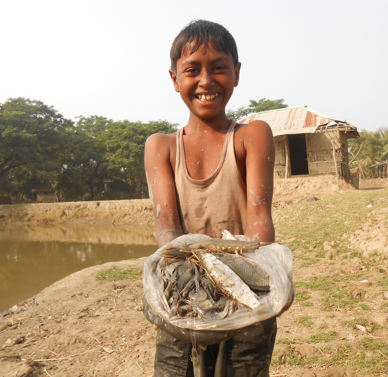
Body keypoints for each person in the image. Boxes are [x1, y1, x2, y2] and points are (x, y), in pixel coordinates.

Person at [144, 19, 277, 376]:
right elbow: (166, 227)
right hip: (186, 289)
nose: (206, 81)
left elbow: (259, 220)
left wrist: (249, 280)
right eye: (192, 70)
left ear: (236, 73)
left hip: (244, 286)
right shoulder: (161, 147)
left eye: (219, 67)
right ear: (175, 79)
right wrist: (192, 279)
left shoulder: (252, 136)